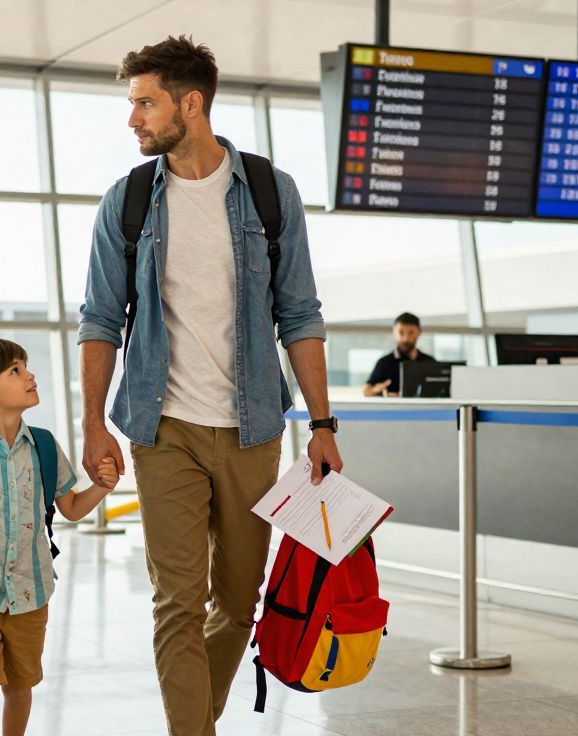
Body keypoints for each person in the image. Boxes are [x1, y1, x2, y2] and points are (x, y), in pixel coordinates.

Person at [76, 37, 343, 736]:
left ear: (190, 104)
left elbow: (301, 313)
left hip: (255, 429)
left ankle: (200, 718)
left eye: (144, 102)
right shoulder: (129, 203)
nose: (133, 119)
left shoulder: (268, 193)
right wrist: (92, 422)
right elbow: (101, 320)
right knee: (177, 602)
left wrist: (322, 424)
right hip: (163, 429)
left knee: (238, 597)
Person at [0, 339, 118, 736]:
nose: (29, 375)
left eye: (25, 366)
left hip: (32, 593)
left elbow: (71, 508)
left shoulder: (44, 446)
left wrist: (102, 485)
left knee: (21, 687)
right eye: (15, 370)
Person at [363, 312, 436, 397]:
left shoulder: (430, 362)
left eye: (411, 333)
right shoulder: (384, 363)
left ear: (419, 332)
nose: (405, 338)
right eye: (401, 332)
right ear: (394, 332)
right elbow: (366, 391)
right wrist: (376, 390)